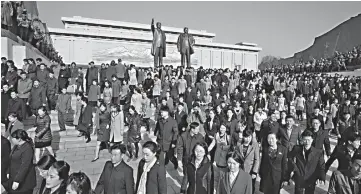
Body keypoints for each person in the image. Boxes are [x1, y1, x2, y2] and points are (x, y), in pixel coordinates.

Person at [287, 130, 326, 194]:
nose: (307, 142)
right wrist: (294, 168)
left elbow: (321, 166)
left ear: (312, 140)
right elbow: (289, 157)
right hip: (299, 176)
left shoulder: (318, 152)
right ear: (302, 140)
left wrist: (321, 177)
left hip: (311, 177)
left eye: (309, 140)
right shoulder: (296, 148)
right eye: (305, 140)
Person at [6, 130, 36, 194]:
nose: (10, 139)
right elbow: (11, 159)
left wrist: (17, 181)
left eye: (12, 138)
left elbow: (25, 166)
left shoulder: (28, 148)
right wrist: (8, 171)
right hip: (14, 176)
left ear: (19, 139)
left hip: (24, 180)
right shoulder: (16, 146)